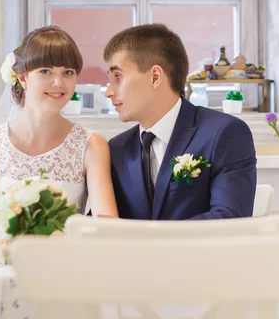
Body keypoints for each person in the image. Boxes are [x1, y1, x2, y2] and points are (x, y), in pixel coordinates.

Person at [0, 26, 118, 245]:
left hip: (66, 265)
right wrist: (30, 237)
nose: (59, 83)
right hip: (6, 262)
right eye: (46, 71)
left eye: (68, 72)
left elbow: (107, 224)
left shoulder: (92, 145)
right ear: (23, 78)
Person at [104, 24, 257, 220]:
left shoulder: (225, 133)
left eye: (118, 77)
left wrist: (154, 242)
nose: (109, 91)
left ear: (155, 77)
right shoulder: (118, 148)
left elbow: (229, 218)